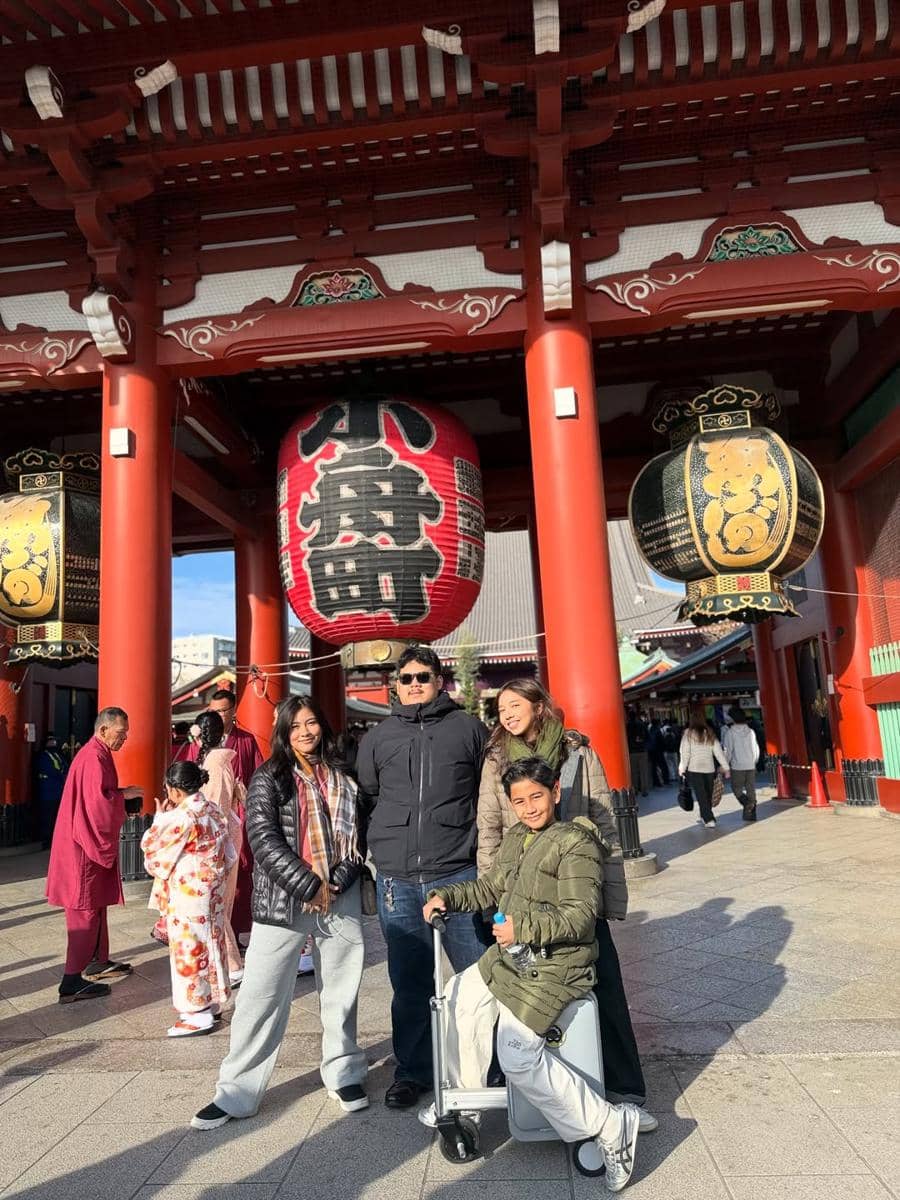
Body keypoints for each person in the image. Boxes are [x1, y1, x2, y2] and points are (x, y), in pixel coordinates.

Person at [421, 757, 642, 1193]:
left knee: (517, 1054)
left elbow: (580, 917)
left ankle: (608, 1123)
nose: (528, 808)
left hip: (556, 966)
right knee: (457, 997)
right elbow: (490, 888)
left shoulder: (575, 844)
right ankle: (466, 1104)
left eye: (536, 797)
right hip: (513, 958)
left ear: (555, 792)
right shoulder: (519, 837)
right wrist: (446, 895)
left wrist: (524, 927)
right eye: (519, 800)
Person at [477, 678, 655, 1132]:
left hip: (576, 892)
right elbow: (490, 828)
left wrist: (606, 890)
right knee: (514, 988)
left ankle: (627, 1092)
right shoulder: (496, 760)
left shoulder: (577, 752)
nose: (508, 715)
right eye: (501, 709)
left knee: (607, 989)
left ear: (540, 706)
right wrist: (491, 891)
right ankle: (522, 1085)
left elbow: (603, 819)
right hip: (521, 896)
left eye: (516, 705)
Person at [191, 695, 368, 1130]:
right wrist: (310, 884)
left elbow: (358, 835)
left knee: (341, 992)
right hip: (285, 899)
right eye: (297, 726)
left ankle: (344, 1072)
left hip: (339, 893)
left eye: (312, 723)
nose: (306, 732)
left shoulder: (342, 775)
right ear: (284, 733)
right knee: (260, 996)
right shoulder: (270, 777)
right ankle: (237, 1091)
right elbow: (264, 839)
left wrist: (337, 881)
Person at [356, 645, 488, 1110]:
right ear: (396, 682)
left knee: (478, 977)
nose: (414, 684)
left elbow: (488, 790)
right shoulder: (378, 737)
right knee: (410, 982)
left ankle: (487, 1068)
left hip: (458, 872)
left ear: (441, 681)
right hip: (398, 879)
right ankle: (413, 1071)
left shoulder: (469, 729)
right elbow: (367, 796)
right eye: (407, 677)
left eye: (423, 677)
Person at [45, 707, 143, 1003]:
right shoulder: (93, 757)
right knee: (85, 909)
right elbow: (97, 806)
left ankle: (97, 960)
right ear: (103, 731)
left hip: (83, 843)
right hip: (83, 848)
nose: (124, 738)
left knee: (96, 905)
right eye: (121, 733)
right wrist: (124, 797)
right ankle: (71, 981)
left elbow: (98, 799)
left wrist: (120, 796)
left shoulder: (98, 754)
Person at [142, 760, 235, 1037]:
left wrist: (159, 821)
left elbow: (153, 851)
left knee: (189, 949)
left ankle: (197, 1012)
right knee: (212, 943)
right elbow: (229, 854)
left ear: (173, 790)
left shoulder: (183, 817)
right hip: (211, 891)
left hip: (188, 894)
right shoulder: (212, 809)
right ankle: (214, 1000)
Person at [187, 689, 263, 945]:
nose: (218, 715)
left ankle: (239, 931)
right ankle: (219, 934)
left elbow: (257, 777)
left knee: (241, 873)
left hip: (238, 815)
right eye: (214, 710)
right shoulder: (198, 744)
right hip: (208, 818)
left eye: (222, 710)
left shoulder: (246, 741)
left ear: (233, 712)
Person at [195, 711, 246, 981]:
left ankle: (232, 965)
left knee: (215, 901)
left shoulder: (215, 763)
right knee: (216, 901)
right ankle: (225, 961)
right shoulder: (214, 760)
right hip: (218, 833)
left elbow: (216, 807)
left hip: (216, 836)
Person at [678, 713, 730, 828]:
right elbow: (718, 752)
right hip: (709, 769)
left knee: (702, 794)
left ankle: (705, 816)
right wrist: (726, 767)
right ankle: (708, 818)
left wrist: (682, 767)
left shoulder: (687, 734)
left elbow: (685, 753)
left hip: (694, 768)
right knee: (707, 794)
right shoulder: (710, 733)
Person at [722, 707, 760, 822]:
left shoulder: (730, 733)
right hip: (750, 764)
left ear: (733, 718)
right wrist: (754, 761)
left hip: (737, 766)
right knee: (751, 789)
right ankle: (751, 814)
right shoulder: (750, 731)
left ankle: (747, 803)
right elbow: (755, 748)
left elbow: (728, 751)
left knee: (736, 788)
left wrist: (725, 764)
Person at [34, 732, 68, 849]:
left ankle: (56, 839)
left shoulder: (58, 755)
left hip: (58, 791)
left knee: (56, 816)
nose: (53, 743)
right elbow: (50, 770)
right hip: (48, 792)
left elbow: (64, 766)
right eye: (51, 741)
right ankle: (46, 841)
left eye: (54, 740)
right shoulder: (43, 756)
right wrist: (61, 775)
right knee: (47, 817)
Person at [625, 710, 651, 797]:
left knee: (634, 772)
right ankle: (644, 790)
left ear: (629, 716)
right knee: (643, 771)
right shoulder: (642, 724)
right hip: (642, 751)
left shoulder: (627, 726)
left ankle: (635, 789)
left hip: (632, 752)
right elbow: (648, 737)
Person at [646, 719, 669, 787]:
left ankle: (656, 782)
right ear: (658, 723)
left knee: (654, 767)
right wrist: (664, 748)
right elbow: (661, 741)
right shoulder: (658, 731)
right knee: (663, 766)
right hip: (658, 751)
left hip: (651, 751)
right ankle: (665, 780)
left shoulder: (650, 730)